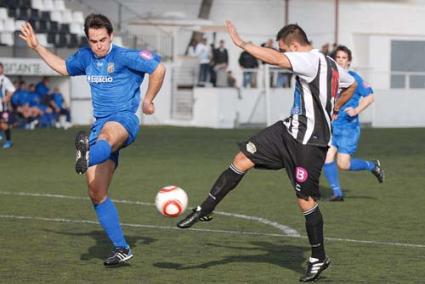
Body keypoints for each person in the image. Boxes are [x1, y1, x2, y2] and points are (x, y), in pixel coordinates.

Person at [177, 22, 357, 282]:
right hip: (288, 130)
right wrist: (334, 107)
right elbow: (349, 85)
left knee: (305, 200)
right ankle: (205, 207)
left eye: (285, 50)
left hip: (310, 142)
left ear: (294, 46)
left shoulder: (307, 59)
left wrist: (243, 45)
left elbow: (275, 59)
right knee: (242, 158)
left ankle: (319, 257)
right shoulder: (330, 63)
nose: (284, 54)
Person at [20, 13, 166, 266]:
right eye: (93, 40)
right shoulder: (86, 57)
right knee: (96, 192)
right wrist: (37, 47)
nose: (98, 45)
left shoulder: (124, 56)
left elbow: (158, 68)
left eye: (102, 40)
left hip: (123, 120)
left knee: (108, 135)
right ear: (88, 39)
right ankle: (122, 248)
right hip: (98, 125)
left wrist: (148, 100)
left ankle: (86, 153)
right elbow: (63, 68)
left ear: (110, 36)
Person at [323, 45, 384, 201]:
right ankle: (337, 193)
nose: (341, 61)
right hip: (331, 126)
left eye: (344, 58)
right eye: (338, 58)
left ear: (349, 61)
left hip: (348, 129)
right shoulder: (329, 78)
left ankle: (372, 166)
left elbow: (370, 97)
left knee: (343, 165)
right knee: (327, 157)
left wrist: (356, 110)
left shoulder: (354, 78)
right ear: (334, 60)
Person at [0, 62, 16, 149]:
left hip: (2, 107)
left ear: (2, 69)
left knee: (4, 124)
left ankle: (9, 141)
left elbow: (12, 89)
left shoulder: (4, 79)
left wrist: (7, 97)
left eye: (0, 68)